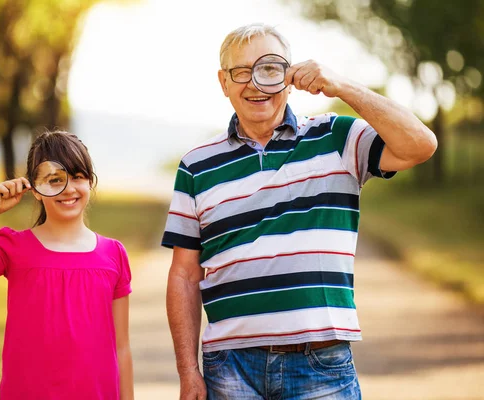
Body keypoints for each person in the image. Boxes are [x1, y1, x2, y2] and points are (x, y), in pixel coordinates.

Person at [162, 23, 437, 400]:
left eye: (269, 69)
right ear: (223, 83)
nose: (255, 83)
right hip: (229, 369)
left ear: (290, 78)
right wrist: (187, 371)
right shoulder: (196, 166)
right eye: (240, 71)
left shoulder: (338, 138)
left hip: (321, 364)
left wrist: (340, 85)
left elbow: (420, 145)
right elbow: (183, 276)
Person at [0, 130, 134, 400]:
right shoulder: (13, 248)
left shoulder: (113, 254)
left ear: (90, 182)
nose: (69, 188)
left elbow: (122, 348)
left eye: (78, 177)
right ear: (35, 189)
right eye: (55, 180)